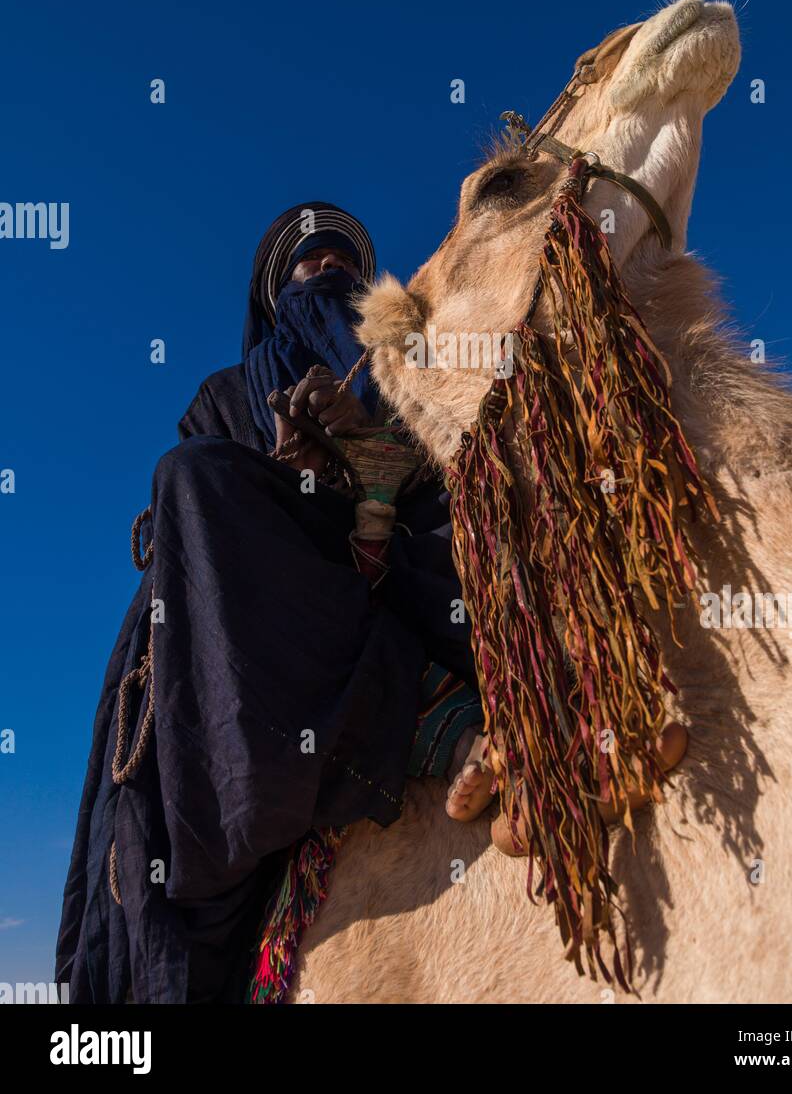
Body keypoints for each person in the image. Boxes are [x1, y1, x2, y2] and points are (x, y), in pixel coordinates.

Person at [55, 203, 488, 1005]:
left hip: (406, 564)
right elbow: (205, 525)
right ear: (271, 292)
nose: (325, 274)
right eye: (307, 265)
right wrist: (297, 477)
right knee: (191, 476)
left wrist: (372, 447)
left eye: (340, 265)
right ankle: (400, 723)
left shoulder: (409, 362)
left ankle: (447, 699)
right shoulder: (223, 398)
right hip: (269, 605)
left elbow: (458, 458)